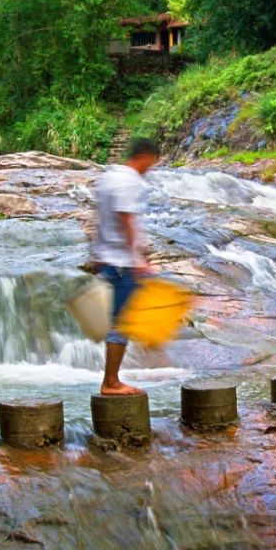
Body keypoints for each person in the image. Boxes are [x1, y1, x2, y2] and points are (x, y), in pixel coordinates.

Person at [91, 138, 160, 396]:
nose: (150, 168)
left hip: (108, 259)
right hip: (122, 262)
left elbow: (100, 217)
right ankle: (111, 382)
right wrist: (138, 258)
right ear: (145, 156)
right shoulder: (129, 181)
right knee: (121, 323)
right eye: (151, 163)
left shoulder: (109, 176)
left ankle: (113, 379)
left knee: (121, 320)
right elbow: (127, 218)